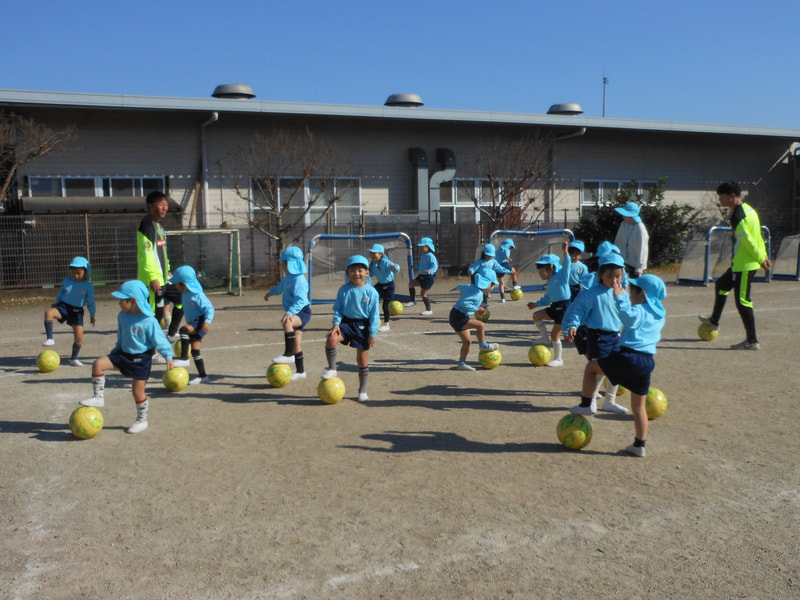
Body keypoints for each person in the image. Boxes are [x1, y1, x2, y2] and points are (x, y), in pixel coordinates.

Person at [81, 280, 175, 434]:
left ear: (133, 301)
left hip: (141, 360)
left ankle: (142, 420)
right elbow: (121, 335)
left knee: (137, 392)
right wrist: (117, 349)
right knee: (98, 364)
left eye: (121, 300)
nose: (119, 303)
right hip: (123, 354)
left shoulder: (149, 321)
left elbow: (160, 340)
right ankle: (98, 397)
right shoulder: (122, 316)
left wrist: (168, 357)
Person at [596, 274, 667, 457]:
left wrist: (619, 297)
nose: (629, 294)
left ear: (642, 293)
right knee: (638, 407)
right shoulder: (659, 313)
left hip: (629, 357)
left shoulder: (641, 310)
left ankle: (586, 403)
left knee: (591, 368)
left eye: (631, 291)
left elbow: (628, 317)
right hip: (647, 362)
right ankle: (639, 445)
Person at [699, 181, 771, 350]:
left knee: (743, 301)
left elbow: (749, 240)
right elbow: (758, 236)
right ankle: (714, 320)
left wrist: (761, 258)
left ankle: (752, 341)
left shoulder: (738, 216)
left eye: (722, 197)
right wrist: (764, 253)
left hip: (746, 265)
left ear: (732, 196)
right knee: (722, 285)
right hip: (740, 264)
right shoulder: (749, 210)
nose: (720, 201)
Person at [563, 253, 628, 415]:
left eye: (618, 276)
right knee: (599, 368)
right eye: (610, 276)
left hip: (616, 336)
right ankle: (589, 402)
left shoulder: (621, 293)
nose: (614, 281)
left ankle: (609, 402)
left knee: (611, 369)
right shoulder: (592, 293)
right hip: (598, 337)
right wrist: (573, 325)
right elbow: (579, 310)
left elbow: (626, 313)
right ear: (600, 274)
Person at [323, 255, 381, 402]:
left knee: (362, 361)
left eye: (360, 270)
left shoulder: (372, 292)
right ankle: (332, 369)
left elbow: (375, 315)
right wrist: (336, 324)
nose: (356, 274)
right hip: (346, 323)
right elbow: (338, 309)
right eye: (352, 270)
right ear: (347, 273)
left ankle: (362, 391)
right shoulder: (344, 290)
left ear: (367, 273)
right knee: (331, 338)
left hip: (363, 326)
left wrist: (372, 334)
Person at [137, 191, 183, 358]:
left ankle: (171, 334)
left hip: (164, 278)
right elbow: (146, 256)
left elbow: (161, 253)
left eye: (166, 204)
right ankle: (150, 352)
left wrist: (168, 271)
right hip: (153, 281)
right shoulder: (147, 225)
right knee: (153, 317)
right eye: (161, 204)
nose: (165, 208)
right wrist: (152, 277)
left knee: (181, 299)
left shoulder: (158, 226)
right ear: (150, 206)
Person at [265, 246, 311, 380]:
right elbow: (280, 288)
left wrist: (290, 313)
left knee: (287, 322)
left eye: (283, 262)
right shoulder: (289, 278)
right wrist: (270, 293)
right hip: (296, 311)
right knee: (297, 342)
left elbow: (301, 300)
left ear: (289, 264)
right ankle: (301, 371)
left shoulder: (300, 280)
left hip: (302, 311)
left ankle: (288, 354)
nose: (281, 265)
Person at [42, 256, 96, 366]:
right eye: (73, 273)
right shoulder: (67, 281)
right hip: (64, 307)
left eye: (78, 273)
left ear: (86, 271)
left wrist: (92, 314)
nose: (75, 275)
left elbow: (91, 302)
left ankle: (74, 358)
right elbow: (61, 294)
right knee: (48, 312)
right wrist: (56, 303)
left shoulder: (88, 286)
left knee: (79, 337)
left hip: (77, 311)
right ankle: (50, 338)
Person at [527, 242, 572, 367]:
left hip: (564, 307)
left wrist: (565, 252)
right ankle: (544, 339)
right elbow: (547, 299)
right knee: (536, 315)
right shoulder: (550, 281)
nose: (540, 274)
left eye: (542, 271)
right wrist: (535, 304)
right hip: (555, 306)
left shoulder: (562, 275)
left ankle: (558, 359)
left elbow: (567, 265)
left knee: (555, 334)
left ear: (551, 267)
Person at [169, 265, 214, 384]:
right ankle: (203, 376)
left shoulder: (197, 295)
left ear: (184, 284)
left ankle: (184, 358)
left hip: (200, 321)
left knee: (184, 330)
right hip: (194, 322)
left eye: (176, 283)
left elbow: (209, 308)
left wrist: (207, 321)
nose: (175, 285)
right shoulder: (185, 293)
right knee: (195, 351)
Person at [449, 269, 500, 371]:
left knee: (467, 342)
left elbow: (463, 287)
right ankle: (483, 345)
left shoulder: (473, 287)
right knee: (480, 325)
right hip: (458, 316)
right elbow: (464, 303)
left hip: (456, 315)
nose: (493, 287)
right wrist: (477, 309)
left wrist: (457, 287)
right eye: (493, 285)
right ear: (488, 284)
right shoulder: (477, 293)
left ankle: (461, 363)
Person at [368, 243, 401, 332]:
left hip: (389, 286)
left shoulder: (385, 262)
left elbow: (397, 268)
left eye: (374, 253)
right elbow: (370, 273)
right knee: (370, 298)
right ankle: (370, 319)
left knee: (385, 306)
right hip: (380, 285)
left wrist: (395, 268)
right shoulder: (373, 264)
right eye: (371, 253)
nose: (372, 255)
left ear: (381, 254)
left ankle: (386, 325)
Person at [614, 202, 649, 277]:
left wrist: (639, 267)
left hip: (635, 264)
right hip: (623, 261)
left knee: (636, 287)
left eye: (624, 214)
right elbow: (618, 241)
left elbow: (643, 249)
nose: (623, 216)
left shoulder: (640, 228)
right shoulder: (623, 224)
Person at [405, 237, 438, 315]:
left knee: (423, 294)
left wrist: (430, 271)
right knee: (411, 284)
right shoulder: (423, 255)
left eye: (422, 247)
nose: (420, 248)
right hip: (421, 276)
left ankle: (429, 310)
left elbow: (435, 266)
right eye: (420, 247)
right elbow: (422, 265)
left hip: (428, 278)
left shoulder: (431, 256)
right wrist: (414, 266)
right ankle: (412, 301)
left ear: (428, 246)